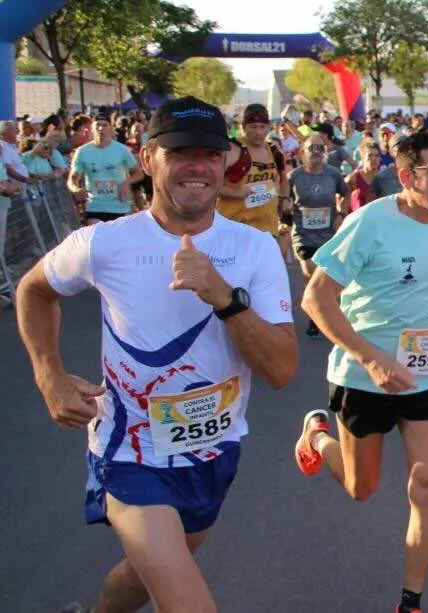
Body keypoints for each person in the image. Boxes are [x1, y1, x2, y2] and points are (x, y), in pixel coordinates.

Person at [16, 96, 297, 613]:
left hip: (214, 449)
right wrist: (47, 374)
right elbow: (33, 290)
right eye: (180, 152)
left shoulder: (254, 248)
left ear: (226, 162)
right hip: (129, 451)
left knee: (144, 579)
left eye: (211, 155)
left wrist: (226, 299)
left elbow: (281, 370)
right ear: (147, 160)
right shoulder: (104, 243)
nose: (198, 166)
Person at [291, 131, 428, 613]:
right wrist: (371, 358)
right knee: (362, 488)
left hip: (425, 376)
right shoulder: (370, 222)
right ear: (405, 175)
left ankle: (410, 601)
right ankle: (317, 437)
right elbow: (315, 299)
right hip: (362, 377)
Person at [289, 134, 350, 337]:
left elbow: (346, 193)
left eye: (320, 148)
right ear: (302, 152)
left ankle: (319, 314)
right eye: (312, 147)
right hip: (303, 233)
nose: (316, 151)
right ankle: (315, 312)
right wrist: (283, 216)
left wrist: (341, 213)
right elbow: (283, 200)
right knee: (309, 271)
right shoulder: (295, 176)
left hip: (327, 234)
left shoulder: (332, 174)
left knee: (323, 277)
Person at [215, 104, 290, 245]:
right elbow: (209, 185)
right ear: (243, 127)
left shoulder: (274, 151)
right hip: (234, 231)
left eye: (262, 127)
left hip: (267, 231)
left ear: (269, 127)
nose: (259, 132)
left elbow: (284, 179)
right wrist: (235, 193)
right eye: (253, 127)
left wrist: (284, 198)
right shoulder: (232, 150)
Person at [68, 114, 144, 224]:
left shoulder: (122, 150)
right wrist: (76, 189)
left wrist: (125, 183)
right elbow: (72, 178)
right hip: (94, 206)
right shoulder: (82, 152)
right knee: (97, 238)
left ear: (111, 129)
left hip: (119, 206)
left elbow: (138, 173)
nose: (101, 128)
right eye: (97, 125)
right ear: (92, 129)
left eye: (105, 125)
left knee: (118, 240)